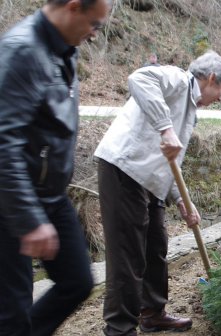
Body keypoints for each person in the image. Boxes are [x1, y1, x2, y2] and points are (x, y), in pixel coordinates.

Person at [94, 50, 221, 336]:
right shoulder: (179, 80)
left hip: (151, 182)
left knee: (156, 247)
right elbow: (139, 78)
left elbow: (173, 162)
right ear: (209, 78)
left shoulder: (190, 108)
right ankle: (119, 329)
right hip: (125, 168)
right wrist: (166, 128)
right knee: (128, 254)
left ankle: (152, 313)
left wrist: (182, 200)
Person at [0, 0, 110, 334]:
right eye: (94, 24)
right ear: (74, 7)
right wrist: (29, 220)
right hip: (10, 197)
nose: (94, 34)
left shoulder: (64, 48)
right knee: (12, 309)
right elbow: (4, 142)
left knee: (77, 281)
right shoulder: (22, 51)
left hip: (50, 192)